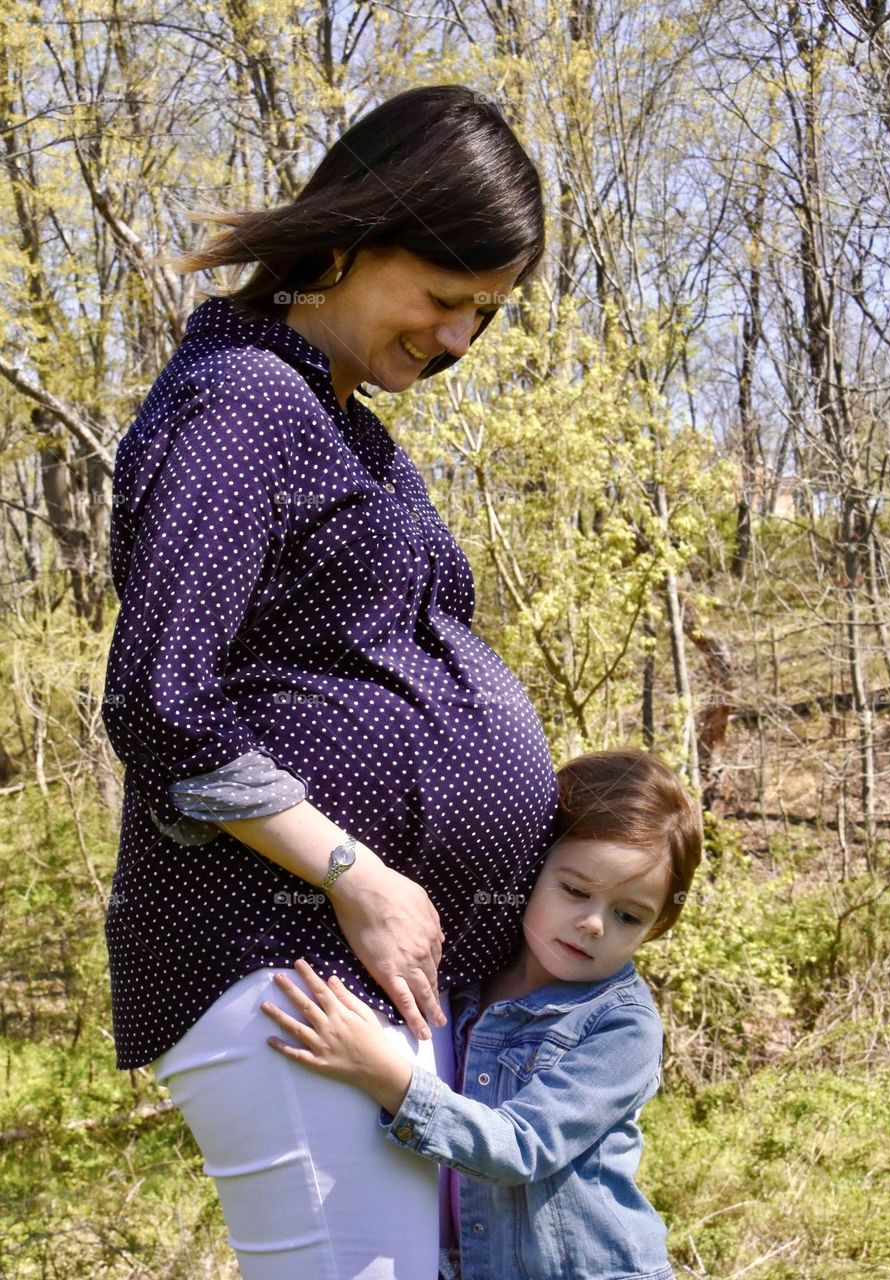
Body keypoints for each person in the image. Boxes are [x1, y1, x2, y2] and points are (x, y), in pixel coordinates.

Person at [100, 84, 559, 1280]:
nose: (459, 339)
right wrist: (354, 870)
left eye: (487, 314)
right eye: (445, 297)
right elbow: (158, 697)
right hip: (282, 962)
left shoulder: (338, 420)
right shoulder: (244, 401)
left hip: (363, 974)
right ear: (351, 240)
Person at [260, 749, 703, 1280]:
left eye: (628, 915)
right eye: (575, 890)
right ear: (532, 866)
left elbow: (521, 1148)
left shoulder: (622, 1025)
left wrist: (382, 1073)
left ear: (656, 927)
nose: (592, 924)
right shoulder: (469, 977)